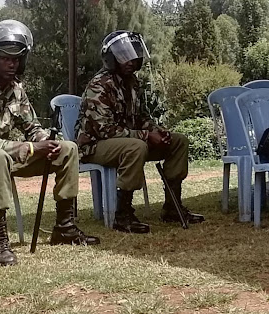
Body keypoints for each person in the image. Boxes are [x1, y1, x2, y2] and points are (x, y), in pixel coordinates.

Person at [0, 20, 99, 266]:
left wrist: (46, 141)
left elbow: (32, 127)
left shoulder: (16, 90)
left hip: (2, 158)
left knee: (68, 149)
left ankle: (65, 227)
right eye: (5, 58)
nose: (12, 63)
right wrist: (31, 148)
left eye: (17, 58)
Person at [75, 30, 204, 234]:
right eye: (123, 55)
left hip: (127, 142)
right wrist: (145, 136)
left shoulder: (133, 83)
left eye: (133, 54)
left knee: (178, 141)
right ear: (111, 58)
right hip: (93, 146)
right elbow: (104, 129)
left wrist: (157, 131)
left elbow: (140, 117)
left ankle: (172, 206)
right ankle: (123, 214)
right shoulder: (100, 85)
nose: (130, 60)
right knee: (136, 147)